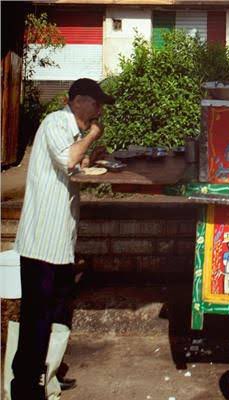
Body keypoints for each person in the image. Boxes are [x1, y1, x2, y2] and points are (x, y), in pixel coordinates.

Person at [11, 78, 114, 399]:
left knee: (55, 312)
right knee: (36, 317)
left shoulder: (70, 130)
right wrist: (92, 136)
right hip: (42, 240)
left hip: (58, 241)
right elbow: (68, 160)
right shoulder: (56, 122)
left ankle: (48, 376)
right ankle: (24, 386)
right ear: (78, 101)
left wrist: (91, 156)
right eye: (96, 104)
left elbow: (72, 167)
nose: (99, 112)